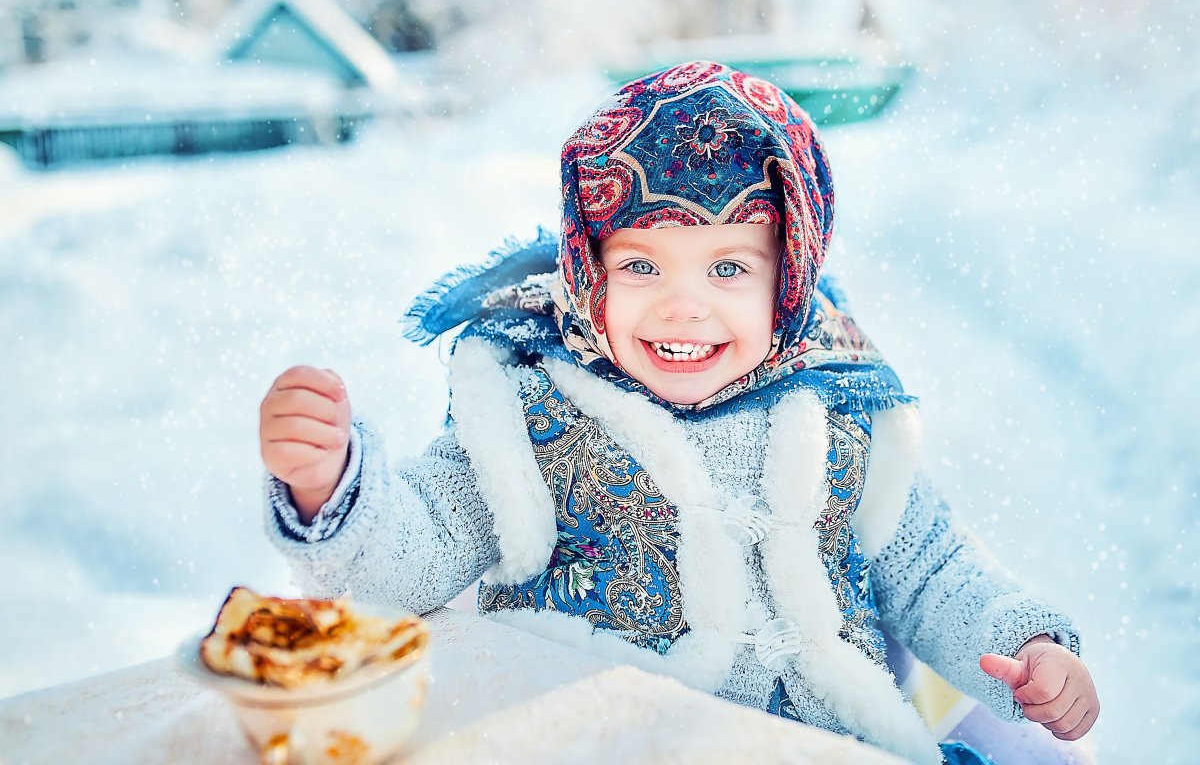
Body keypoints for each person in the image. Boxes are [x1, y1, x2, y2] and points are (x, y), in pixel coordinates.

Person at [258, 61, 1098, 764]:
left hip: (831, 744)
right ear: (588, 265)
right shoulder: (530, 406)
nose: (683, 308)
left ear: (790, 274)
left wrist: (1026, 650)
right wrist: (330, 487)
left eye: (728, 269)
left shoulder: (840, 399)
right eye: (642, 266)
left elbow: (934, 572)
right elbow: (415, 556)